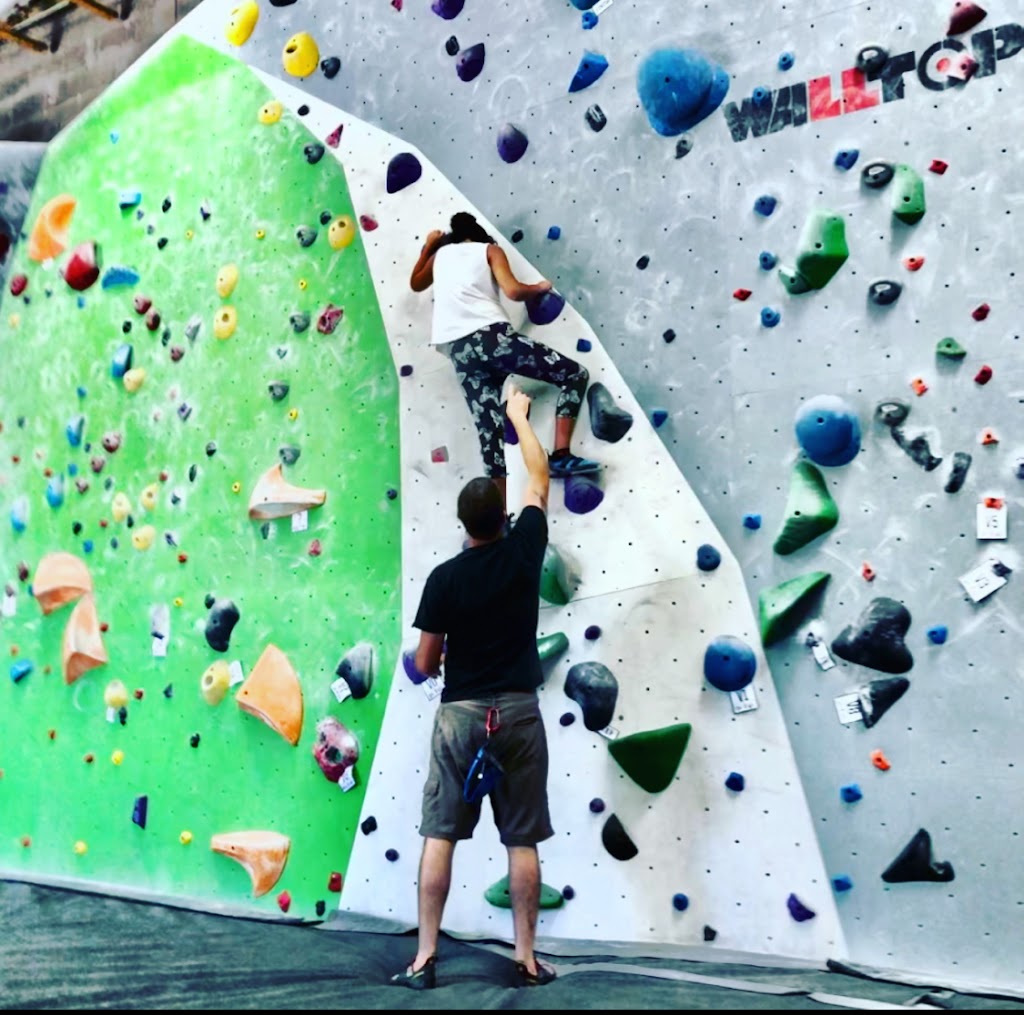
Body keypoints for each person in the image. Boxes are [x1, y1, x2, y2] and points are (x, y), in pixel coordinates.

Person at [391, 384, 557, 991]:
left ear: (463, 525)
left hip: (460, 715)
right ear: (502, 517)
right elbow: (539, 477)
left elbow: (425, 661)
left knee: (440, 835)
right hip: (518, 712)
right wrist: (518, 418)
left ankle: (424, 959)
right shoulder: (525, 550)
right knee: (522, 840)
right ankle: (527, 961)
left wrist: (425, 661)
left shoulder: (444, 579)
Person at [410, 211, 598, 505]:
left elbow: (416, 283)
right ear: (478, 233)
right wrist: (539, 287)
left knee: (490, 433)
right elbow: (513, 290)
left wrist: (429, 245)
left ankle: (499, 520)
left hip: (459, 353)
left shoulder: (440, 256)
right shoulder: (489, 250)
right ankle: (561, 455)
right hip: (491, 338)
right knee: (574, 375)